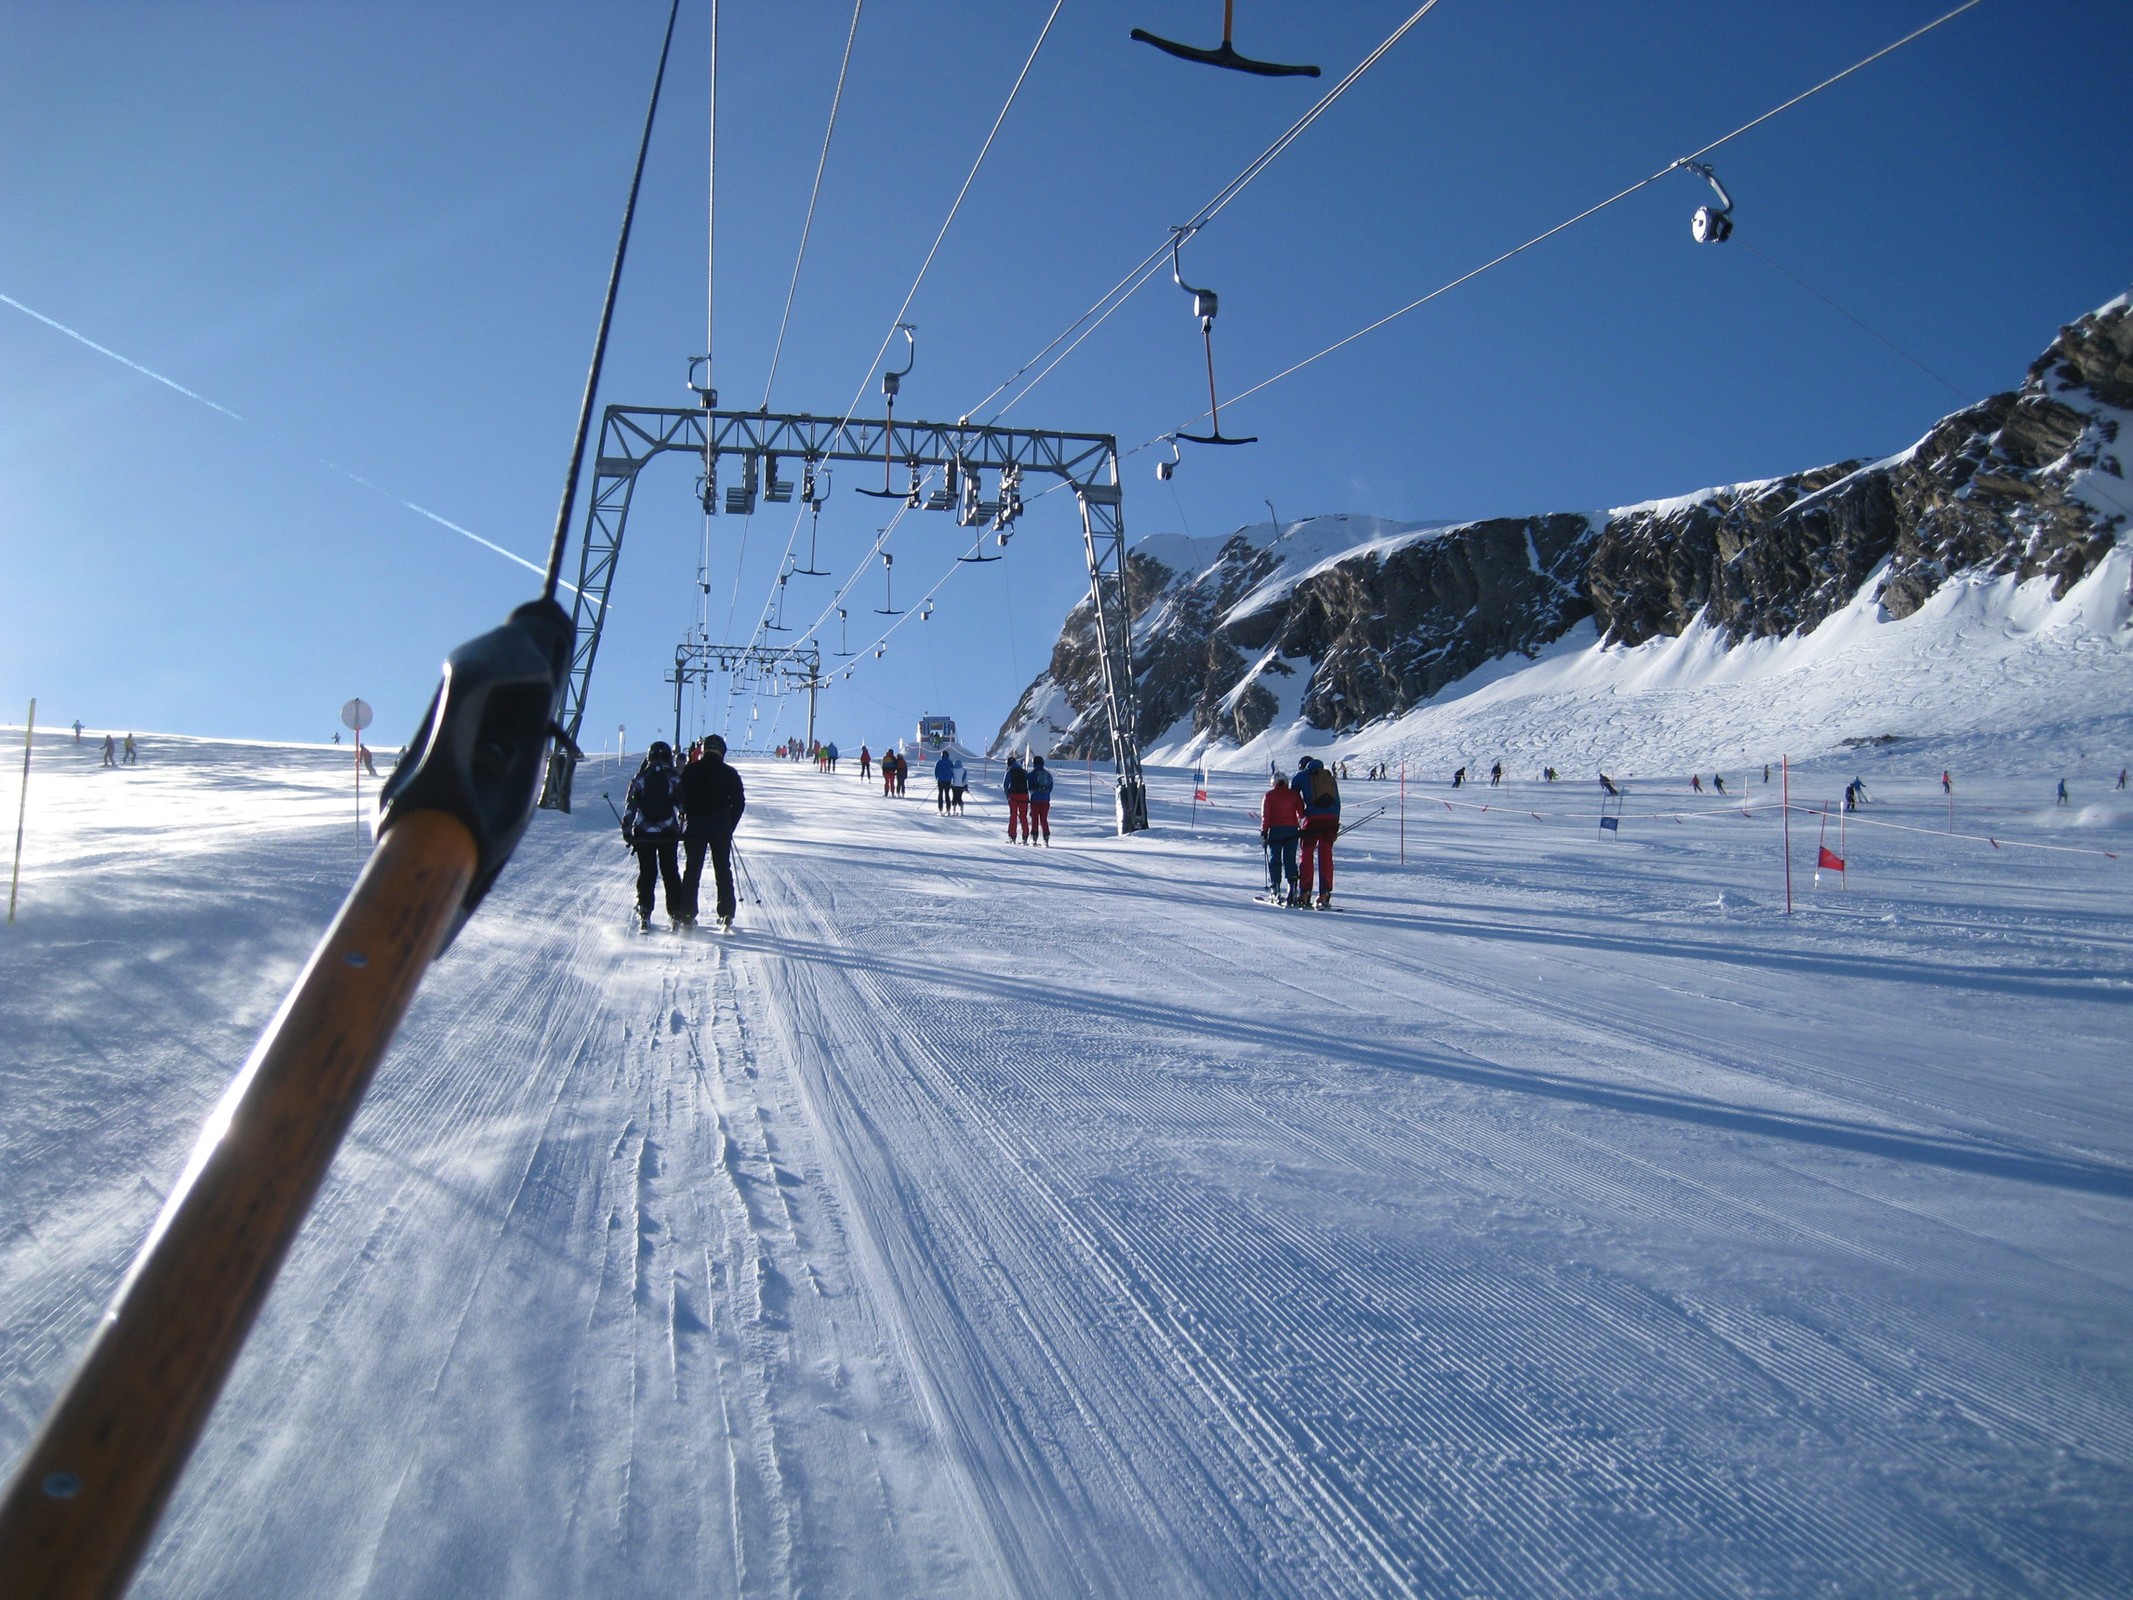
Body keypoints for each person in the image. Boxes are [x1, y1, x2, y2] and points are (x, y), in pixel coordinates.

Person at [681, 733, 746, 928]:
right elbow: (739, 803)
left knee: (693, 869)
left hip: (696, 824)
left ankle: (687, 912)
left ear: (704, 750)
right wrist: (730, 824)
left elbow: (680, 795)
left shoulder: (691, 770)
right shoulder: (730, 773)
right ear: (722, 752)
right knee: (722, 869)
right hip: (721, 825)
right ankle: (726, 913)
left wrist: (688, 814)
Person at [623, 741, 688, 929]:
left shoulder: (641, 777)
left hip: (644, 832)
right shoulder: (673, 777)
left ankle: (644, 910)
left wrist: (627, 829)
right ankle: (675, 912)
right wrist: (683, 828)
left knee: (647, 872)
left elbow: (631, 805)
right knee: (670, 871)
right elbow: (682, 806)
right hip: (668, 832)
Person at [1294, 756, 1340, 908]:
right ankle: (1324, 894)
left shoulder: (1301, 776)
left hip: (1313, 819)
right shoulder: (1329, 776)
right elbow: (1337, 802)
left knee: (1306, 854)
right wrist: (1335, 824)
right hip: (1331, 820)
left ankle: (1305, 893)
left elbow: (1294, 799)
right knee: (1326, 856)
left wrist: (1301, 816)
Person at [1261, 771, 1304, 903]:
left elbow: (1266, 816)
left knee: (1275, 859)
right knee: (1289, 860)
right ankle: (1292, 889)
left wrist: (1264, 831)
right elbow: (1301, 813)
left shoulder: (1269, 795)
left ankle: (1275, 888)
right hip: (1292, 830)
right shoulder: (1294, 794)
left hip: (1275, 831)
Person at [1028, 755, 1055, 844]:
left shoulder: (1031, 774)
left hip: (1035, 799)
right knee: (1044, 819)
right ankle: (1046, 837)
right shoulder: (1048, 774)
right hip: (1045, 800)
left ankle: (1034, 837)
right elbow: (1050, 787)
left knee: (1034, 819)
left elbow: (1029, 787)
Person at [1004, 756, 1031, 842]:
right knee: (1023, 817)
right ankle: (1025, 836)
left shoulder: (1009, 772)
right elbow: (1029, 783)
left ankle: (1012, 836)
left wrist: (1008, 796)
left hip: (1013, 796)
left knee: (1013, 816)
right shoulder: (1024, 771)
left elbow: (1005, 785)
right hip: (1024, 796)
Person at [935, 748, 956, 813]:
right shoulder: (950, 762)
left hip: (940, 780)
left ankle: (940, 808)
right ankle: (948, 809)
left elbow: (936, 770)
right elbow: (952, 771)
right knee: (947, 794)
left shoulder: (939, 762)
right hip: (948, 781)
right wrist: (951, 778)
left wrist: (937, 777)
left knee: (940, 794)